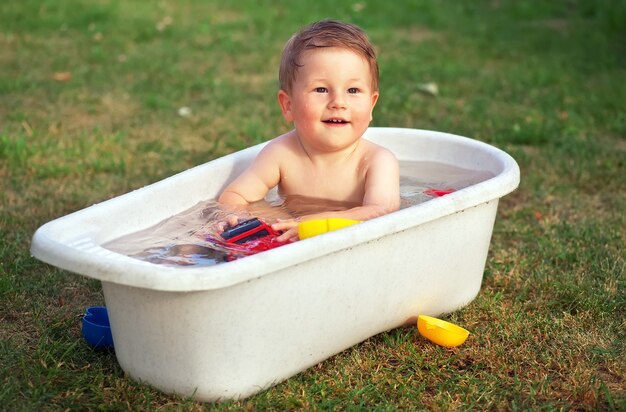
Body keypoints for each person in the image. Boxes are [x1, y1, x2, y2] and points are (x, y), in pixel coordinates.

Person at [218, 19, 400, 241]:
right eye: (321, 89)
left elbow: (382, 212)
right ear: (288, 105)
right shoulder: (281, 154)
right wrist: (254, 220)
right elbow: (235, 196)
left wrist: (308, 224)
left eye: (353, 90)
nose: (338, 102)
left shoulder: (376, 161)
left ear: (371, 105)